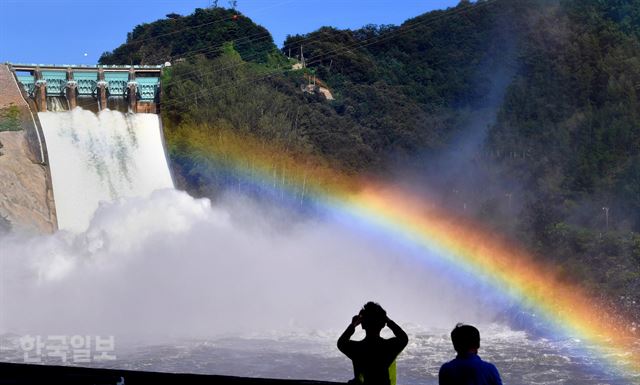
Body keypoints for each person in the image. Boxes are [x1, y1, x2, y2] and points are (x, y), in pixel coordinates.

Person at [337, 302, 409, 385]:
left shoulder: (358, 349)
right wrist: (388, 321)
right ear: (383, 324)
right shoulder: (387, 348)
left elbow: (341, 343)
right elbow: (404, 338)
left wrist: (353, 325)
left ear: (362, 325)